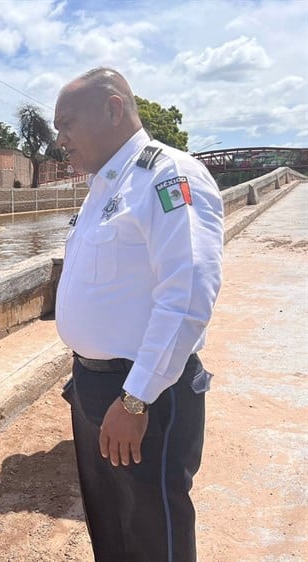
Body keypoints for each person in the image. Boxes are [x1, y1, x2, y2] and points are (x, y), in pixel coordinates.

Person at [53, 68, 224, 562]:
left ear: (112, 109)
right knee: (110, 523)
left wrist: (136, 399)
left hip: (147, 394)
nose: (59, 138)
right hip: (93, 385)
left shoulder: (168, 176)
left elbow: (188, 295)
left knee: (152, 528)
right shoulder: (103, 187)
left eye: (67, 124)